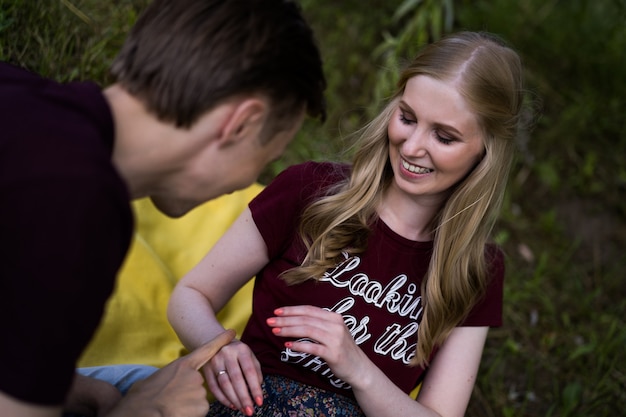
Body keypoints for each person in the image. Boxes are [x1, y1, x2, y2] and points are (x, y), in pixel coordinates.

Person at [167, 30, 525, 417]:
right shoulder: (310, 191)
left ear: (485, 152)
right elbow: (190, 295)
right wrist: (220, 349)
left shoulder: (477, 271)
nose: (411, 146)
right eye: (406, 117)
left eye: (444, 136)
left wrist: (358, 370)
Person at [0, 0, 326, 416]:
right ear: (240, 123)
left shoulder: (18, 91)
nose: (247, 183)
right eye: (263, 160)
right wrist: (142, 410)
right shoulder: (80, 207)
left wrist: (73, 390)